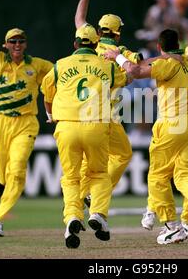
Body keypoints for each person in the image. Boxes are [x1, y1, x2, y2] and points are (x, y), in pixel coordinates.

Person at [104, 29, 188, 245]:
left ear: (159, 46)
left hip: (172, 123)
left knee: (157, 177)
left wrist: (116, 55)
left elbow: (134, 71)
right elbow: (187, 56)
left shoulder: (167, 65)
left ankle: (173, 227)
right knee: (184, 173)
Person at [0, 0, 53, 237]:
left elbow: (61, 78)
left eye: (21, 41)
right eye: (13, 41)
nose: (17, 45)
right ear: (6, 45)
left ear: (25, 43)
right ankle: (5, 200)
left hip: (26, 123)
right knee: (4, 176)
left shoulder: (37, 65)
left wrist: (55, 108)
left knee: (17, 170)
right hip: (0, 123)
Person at [41, 24, 130, 248]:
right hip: (96, 126)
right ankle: (98, 214)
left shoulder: (59, 65)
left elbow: (46, 93)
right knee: (99, 174)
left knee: (71, 178)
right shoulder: (106, 65)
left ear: (75, 44)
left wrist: (50, 115)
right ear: (95, 43)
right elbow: (127, 78)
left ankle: (72, 216)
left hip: (67, 126)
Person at [74, 0, 143, 206]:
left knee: (86, 163)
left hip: (80, 114)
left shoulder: (89, 43)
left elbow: (79, 18)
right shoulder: (120, 50)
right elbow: (134, 70)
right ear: (117, 33)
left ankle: (76, 204)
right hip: (107, 117)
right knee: (123, 155)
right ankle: (95, 196)